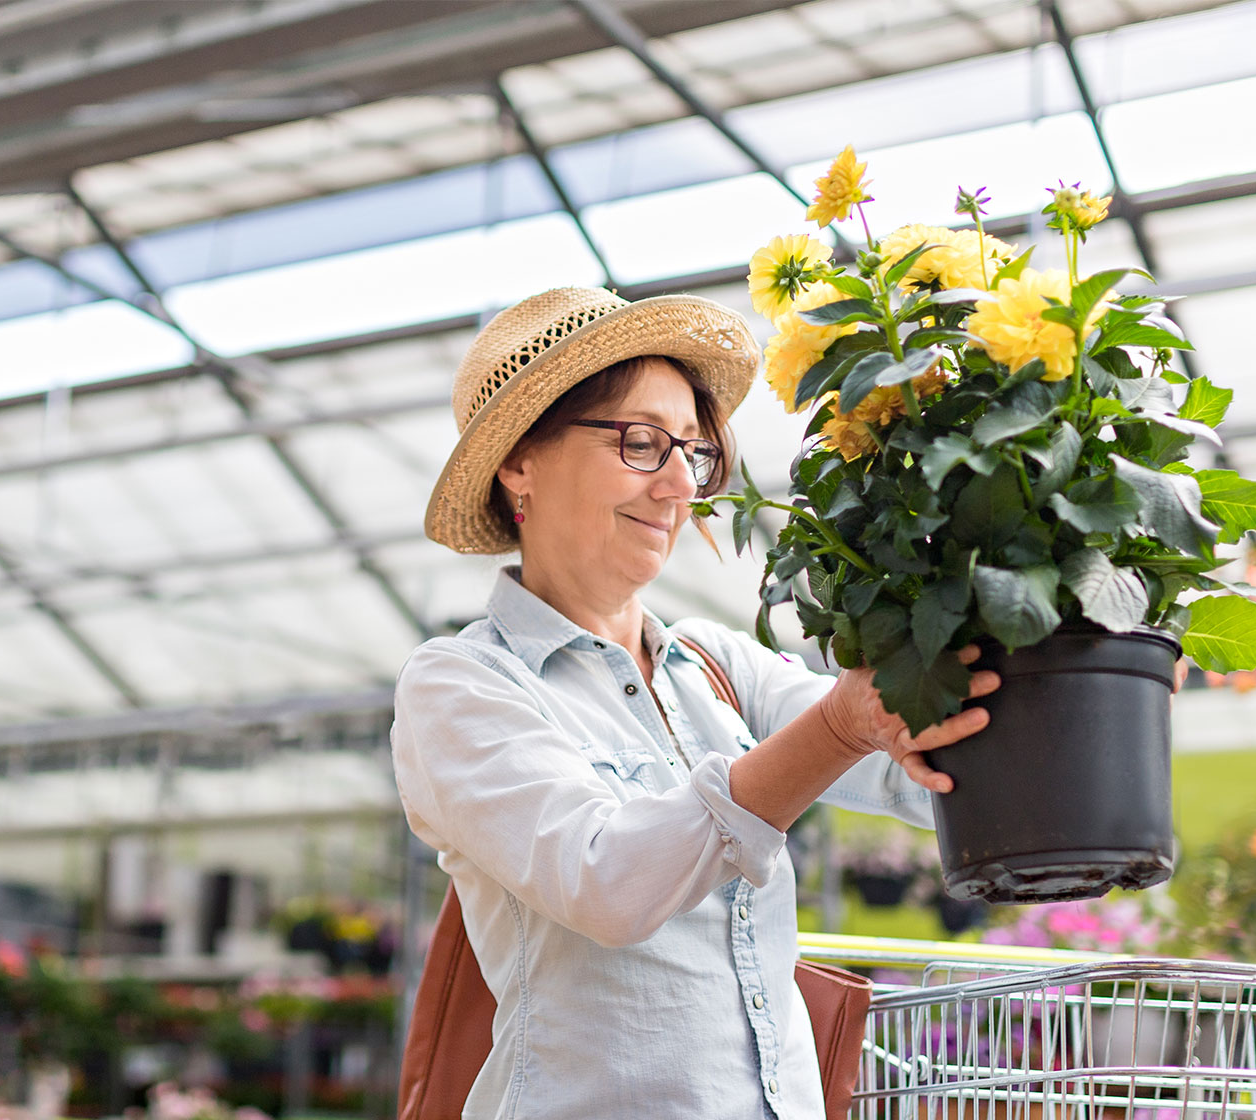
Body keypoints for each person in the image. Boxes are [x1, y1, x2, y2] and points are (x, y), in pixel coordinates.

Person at [391, 287, 1000, 1119]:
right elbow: (607, 881)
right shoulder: (464, 685)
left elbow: (908, 760)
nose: (682, 482)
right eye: (640, 442)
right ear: (519, 462)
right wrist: (833, 728)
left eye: (693, 450)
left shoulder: (713, 665)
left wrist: (1056, 652)